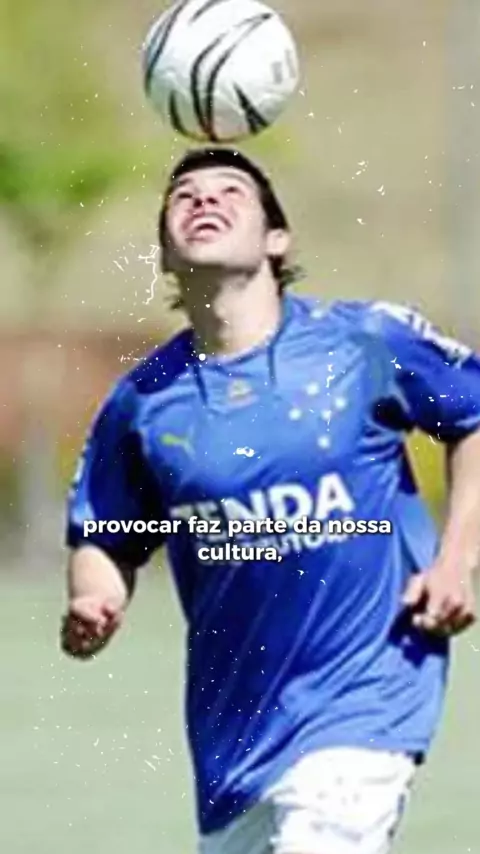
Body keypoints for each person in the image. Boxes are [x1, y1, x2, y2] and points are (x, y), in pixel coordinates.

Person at [61, 146, 480, 854]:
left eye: (230, 190)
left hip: (369, 694)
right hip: (237, 737)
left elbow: (473, 414)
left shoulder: (362, 342)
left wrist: (456, 559)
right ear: (166, 254)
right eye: (183, 195)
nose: (204, 199)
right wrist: (94, 596)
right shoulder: (144, 402)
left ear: (277, 239)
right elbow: (107, 533)